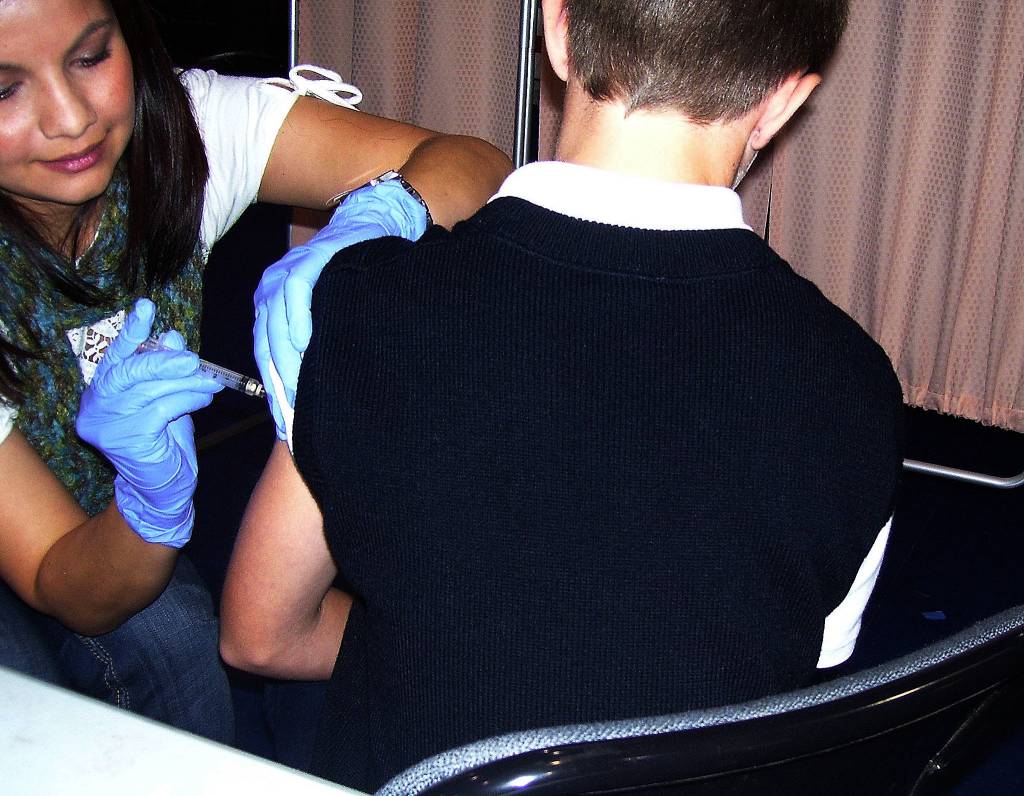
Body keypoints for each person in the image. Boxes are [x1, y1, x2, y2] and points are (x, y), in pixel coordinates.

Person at [220, 0, 905, 789]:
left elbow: (259, 636)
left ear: (558, 30)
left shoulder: (365, 310)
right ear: (785, 98)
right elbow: (779, 675)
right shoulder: (854, 383)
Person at [0, 0, 510, 744]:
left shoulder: (184, 129)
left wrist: (386, 211)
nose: (71, 118)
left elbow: (475, 162)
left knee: (174, 640)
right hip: (52, 549)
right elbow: (57, 576)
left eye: (90, 57)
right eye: (3, 89)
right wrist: (152, 503)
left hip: (92, 535)